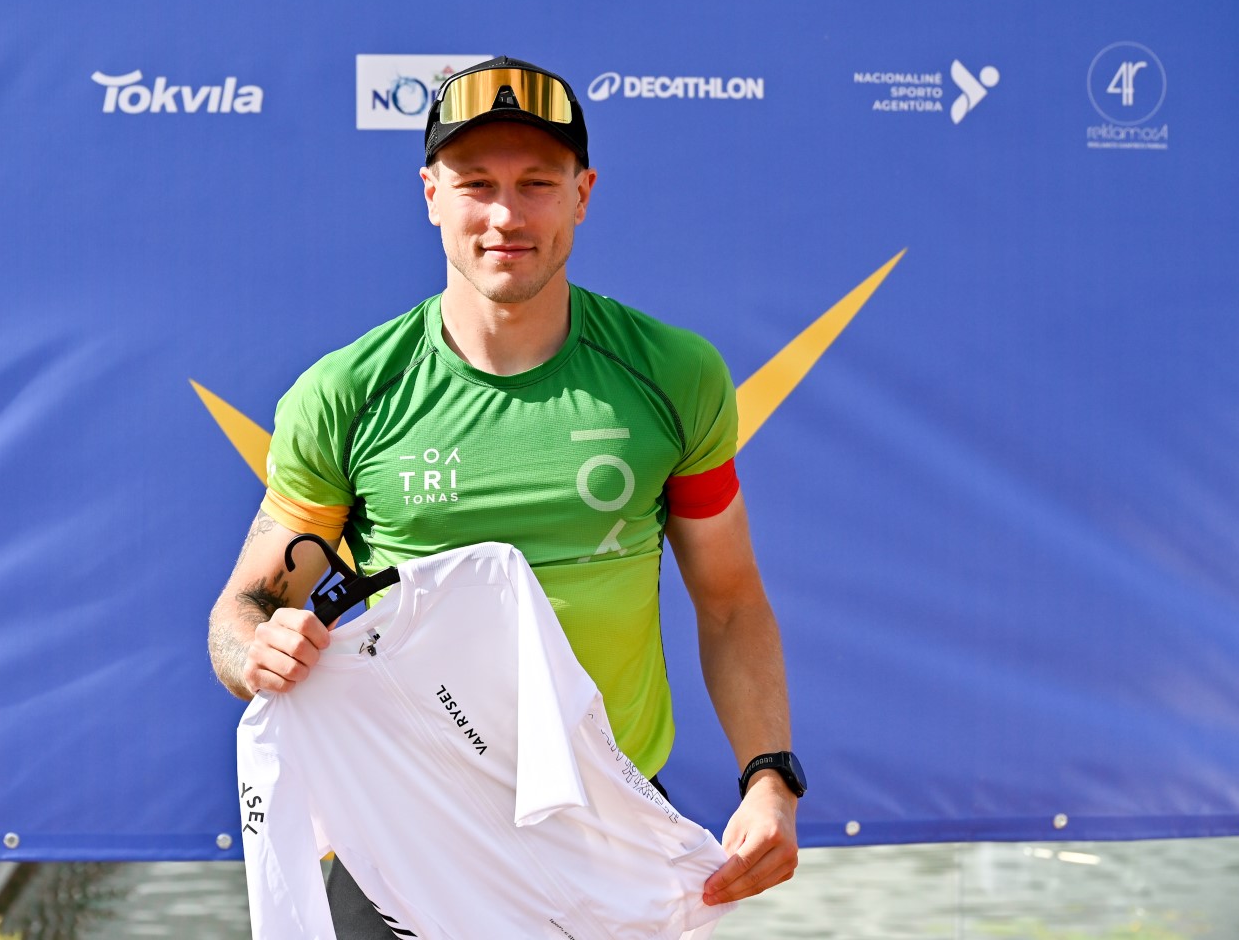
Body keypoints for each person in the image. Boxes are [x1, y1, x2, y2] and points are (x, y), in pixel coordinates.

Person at [207, 56, 801, 935]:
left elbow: (730, 602)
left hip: (604, 833)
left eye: (537, 184)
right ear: (431, 195)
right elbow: (242, 611)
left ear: (583, 194)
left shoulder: (675, 375)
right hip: (404, 836)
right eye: (476, 184)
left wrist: (770, 775)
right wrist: (258, 652)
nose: (506, 216)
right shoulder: (347, 394)